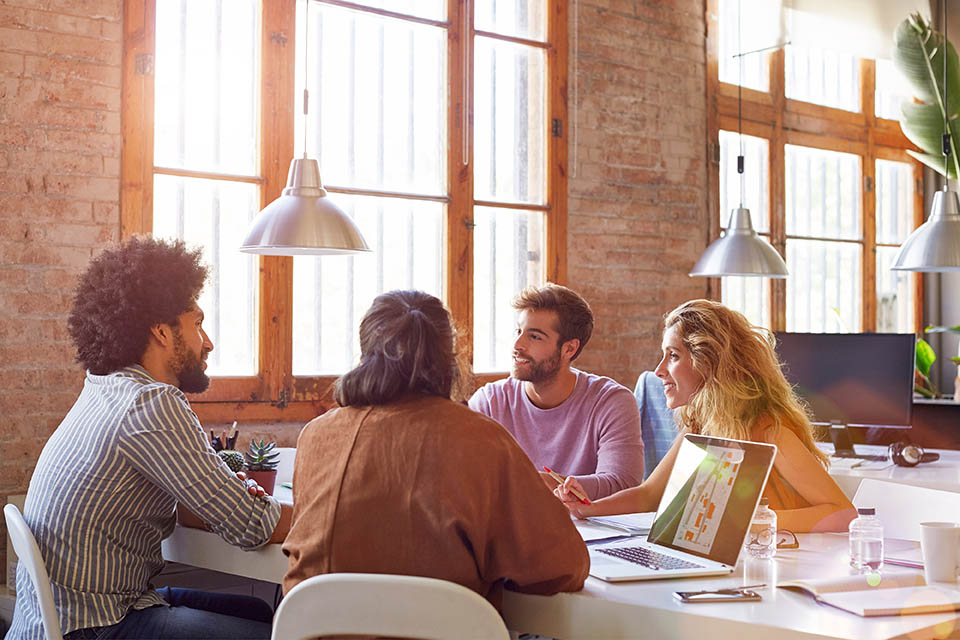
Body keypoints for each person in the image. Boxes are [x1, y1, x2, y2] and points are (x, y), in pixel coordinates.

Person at [6, 237, 291, 640]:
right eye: (197, 324)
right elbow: (251, 525)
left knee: (261, 612)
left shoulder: (105, 387)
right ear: (161, 330)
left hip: (68, 615)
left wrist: (231, 495)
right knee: (278, 631)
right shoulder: (150, 403)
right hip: (94, 626)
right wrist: (329, 515)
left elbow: (212, 504)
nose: (207, 342)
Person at [283, 290, 588, 604]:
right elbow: (563, 567)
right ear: (448, 356)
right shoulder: (482, 439)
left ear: (365, 350)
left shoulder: (315, 436)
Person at [557, 299, 856, 533]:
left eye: (673, 356)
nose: (659, 370)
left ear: (709, 363)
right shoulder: (698, 427)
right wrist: (587, 508)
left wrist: (748, 522)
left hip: (785, 565)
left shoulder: (770, 431)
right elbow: (648, 495)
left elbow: (842, 514)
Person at [468, 284, 644, 501]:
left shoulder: (611, 402)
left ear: (569, 349)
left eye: (534, 337)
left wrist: (547, 484)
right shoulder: (489, 403)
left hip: (588, 532)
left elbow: (622, 483)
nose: (517, 345)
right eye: (518, 331)